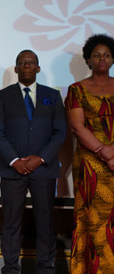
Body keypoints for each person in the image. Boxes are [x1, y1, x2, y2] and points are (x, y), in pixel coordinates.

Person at [0, 50, 66, 274]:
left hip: (44, 169)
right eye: (22, 63)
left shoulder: (52, 95)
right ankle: (11, 268)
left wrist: (40, 158)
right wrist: (14, 160)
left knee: (45, 223)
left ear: (38, 68)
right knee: (11, 223)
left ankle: (45, 268)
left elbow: (60, 132)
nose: (26, 65)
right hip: (11, 169)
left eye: (31, 62)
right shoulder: (3, 96)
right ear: (16, 68)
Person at [64, 34, 114, 273]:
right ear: (88, 60)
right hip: (90, 164)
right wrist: (107, 153)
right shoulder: (76, 90)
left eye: (106, 55)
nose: (101, 59)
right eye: (96, 55)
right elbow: (76, 127)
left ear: (113, 59)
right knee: (93, 220)